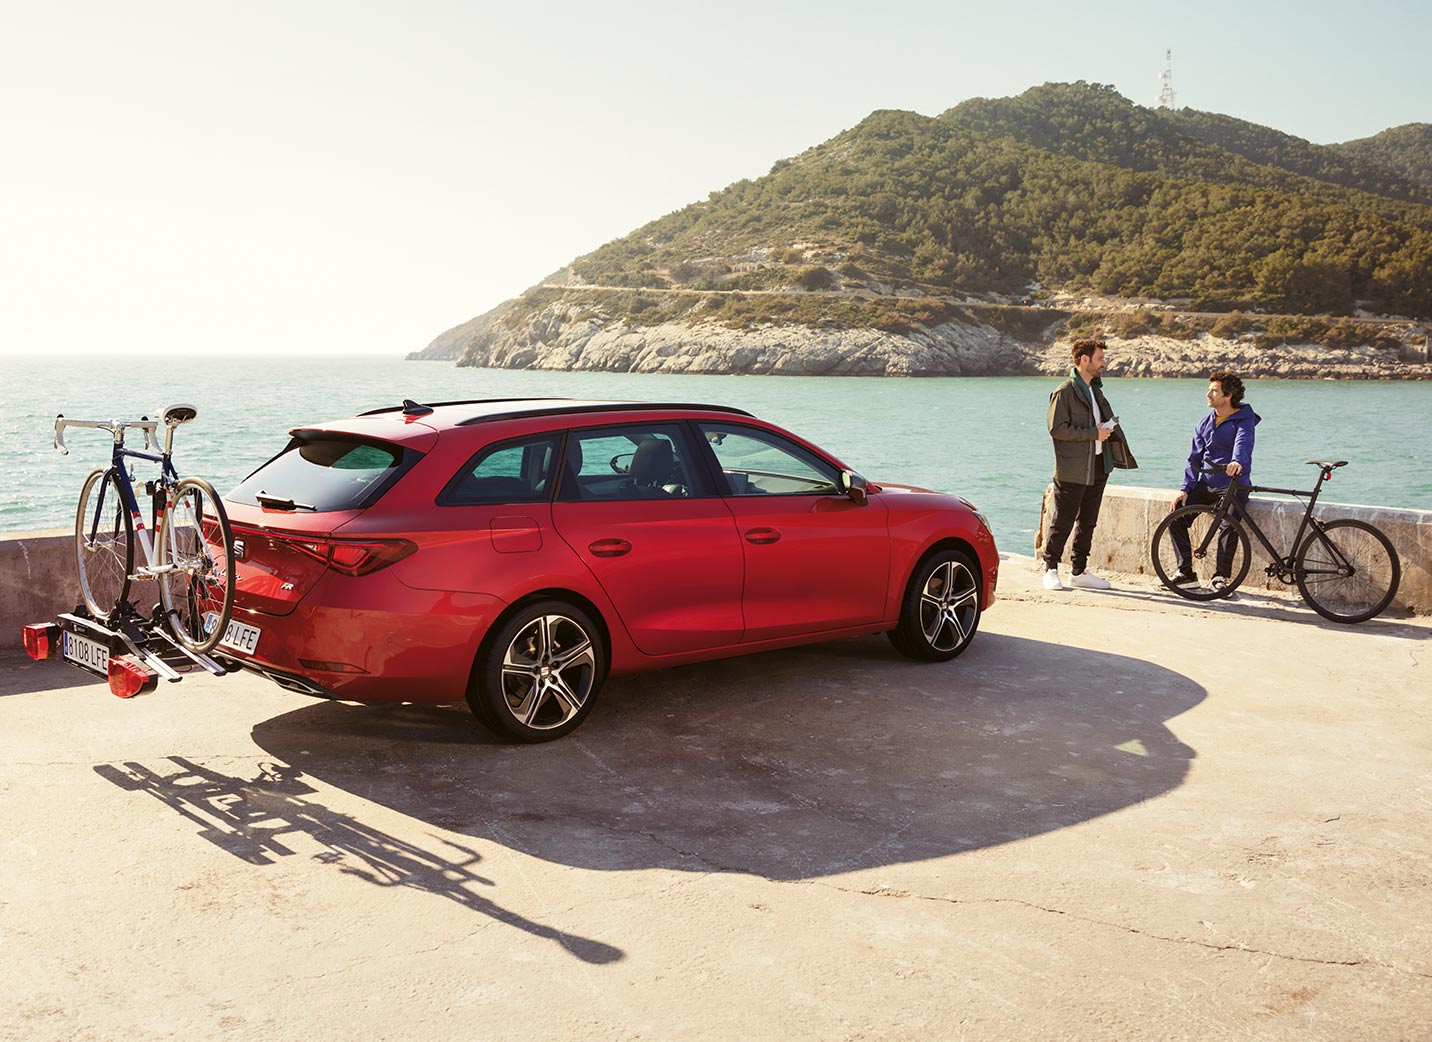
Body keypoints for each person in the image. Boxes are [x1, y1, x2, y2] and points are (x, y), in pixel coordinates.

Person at [1042, 338, 1136, 590]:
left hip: (1098, 464)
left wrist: (1107, 429)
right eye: (1099, 359)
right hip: (1071, 468)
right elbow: (1056, 428)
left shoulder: (1096, 390)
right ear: (1084, 360)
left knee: (1088, 522)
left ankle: (1079, 571)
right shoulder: (1064, 392)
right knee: (1062, 520)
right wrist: (1093, 433)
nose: (1104, 363)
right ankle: (1050, 568)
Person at [1166, 371, 1260, 591]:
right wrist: (1185, 488)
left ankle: (1221, 577)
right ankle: (1186, 573)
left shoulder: (1244, 419)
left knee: (1229, 523)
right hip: (1207, 483)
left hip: (1234, 483)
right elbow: (1194, 459)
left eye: (1214, 390)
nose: (1208, 394)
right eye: (1209, 390)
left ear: (1228, 395)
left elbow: (1243, 442)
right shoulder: (1204, 423)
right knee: (1175, 517)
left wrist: (1237, 461)